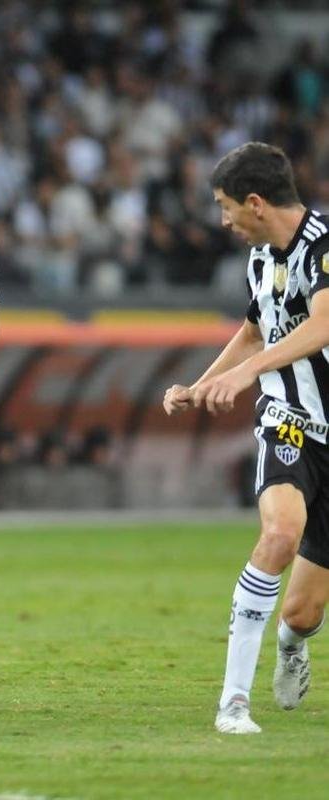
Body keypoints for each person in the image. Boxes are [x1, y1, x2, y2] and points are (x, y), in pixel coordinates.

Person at [164, 141, 329, 734]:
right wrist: (200, 384)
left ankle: (291, 643)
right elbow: (254, 331)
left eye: (225, 207)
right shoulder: (261, 257)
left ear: (255, 202)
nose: (223, 220)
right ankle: (233, 702)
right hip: (289, 420)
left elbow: (324, 325)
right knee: (280, 534)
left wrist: (245, 371)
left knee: (304, 612)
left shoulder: (325, 248)